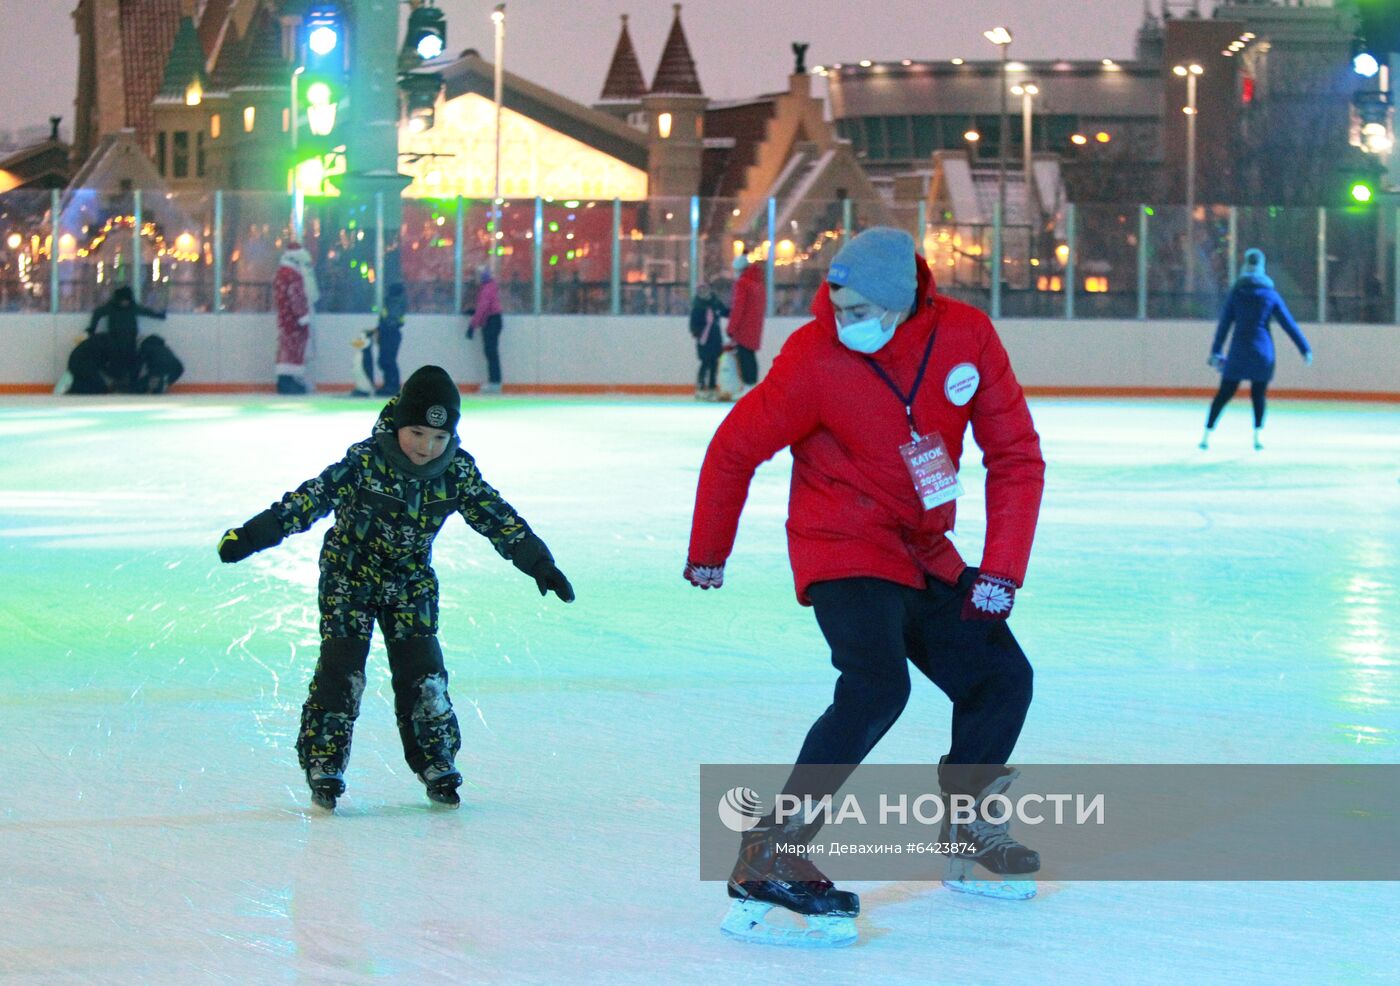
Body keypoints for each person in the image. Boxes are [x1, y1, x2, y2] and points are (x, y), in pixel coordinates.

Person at [686, 227, 1046, 945]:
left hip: (924, 549)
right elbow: (734, 448)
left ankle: (971, 828)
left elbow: (1015, 456)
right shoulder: (813, 357)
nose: (841, 320)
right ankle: (771, 853)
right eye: (835, 305)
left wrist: (1001, 569)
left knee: (1002, 677)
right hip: (841, 542)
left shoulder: (966, 338)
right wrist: (709, 549)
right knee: (877, 685)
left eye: (856, 309)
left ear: (902, 298)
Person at [217, 365, 575, 811]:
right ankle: (324, 762)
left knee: (423, 673)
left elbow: (498, 519)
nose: (427, 448)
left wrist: (540, 564)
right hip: (350, 578)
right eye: (418, 434)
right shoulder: (364, 461)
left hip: (410, 583)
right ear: (400, 424)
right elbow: (307, 501)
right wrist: (251, 536)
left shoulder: (456, 472)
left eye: (439, 439)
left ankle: (437, 760)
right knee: (341, 670)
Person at [1201, 248, 1312, 451]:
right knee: (1258, 394)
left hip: (1239, 352)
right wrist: (1304, 348)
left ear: (1245, 266)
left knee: (1225, 392)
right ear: (1262, 267)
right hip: (1263, 353)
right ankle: (1257, 436)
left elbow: (1224, 325)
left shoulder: (1236, 293)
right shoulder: (1270, 295)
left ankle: (1207, 434)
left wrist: (1216, 351)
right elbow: (1289, 324)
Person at [84, 286, 166, 392]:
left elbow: (146, 311)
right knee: (116, 365)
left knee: (133, 364)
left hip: (130, 341)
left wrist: (159, 315)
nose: (125, 303)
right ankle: (117, 384)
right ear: (118, 300)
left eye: (127, 301)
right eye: (122, 301)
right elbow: (97, 313)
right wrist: (92, 329)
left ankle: (131, 385)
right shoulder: (111, 307)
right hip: (114, 342)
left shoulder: (133, 307)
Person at [274, 242, 318, 395]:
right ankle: (288, 382)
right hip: (295, 321)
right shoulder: (293, 275)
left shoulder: (281, 272)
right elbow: (296, 298)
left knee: (286, 350)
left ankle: (285, 381)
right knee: (294, 351)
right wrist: (303, 317)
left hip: (285, 319)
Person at [726, 255, 767, 394]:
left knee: (744, 357)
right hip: (755, 326)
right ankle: (752, 384)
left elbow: (738, 308)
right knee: (750, 355)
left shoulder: (742, 284)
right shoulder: (758, 283)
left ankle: (748, 385)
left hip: (743, 328)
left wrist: (731, 328)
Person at [689, 280, 729, 401]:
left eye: (705, 289)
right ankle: (701, 387)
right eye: (700, 290)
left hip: (715, 339)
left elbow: (726, 312)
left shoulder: (715, 303)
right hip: (704, 340)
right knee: (705, 362)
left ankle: (712, 387)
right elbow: (692, 324)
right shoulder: (697, 307)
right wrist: (698, 333)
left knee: (714, 363)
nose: (703, 292)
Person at [467, 267, 504, 394]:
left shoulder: (487, 289)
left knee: (490, 351)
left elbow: (483, 308)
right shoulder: (489, 287)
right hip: (493, 320)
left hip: (491, 321)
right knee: (490, 351)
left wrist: (472, 325)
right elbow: (483, 307)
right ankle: (494, 381)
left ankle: (494, 382)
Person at [375, 284, 407, 396]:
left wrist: (383, 329)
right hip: (390, 333)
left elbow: (390, 319)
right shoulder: (394, 302)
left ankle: (392, 385)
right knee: (386, 360)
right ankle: (390, 384)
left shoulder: (393, 302)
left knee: (388, 360)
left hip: (390, 333)